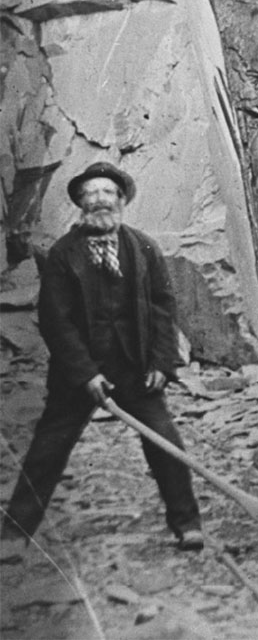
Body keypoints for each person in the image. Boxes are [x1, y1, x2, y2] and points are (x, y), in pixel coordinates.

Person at [0, 162, 203, 550]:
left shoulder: (142, 248)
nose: (100, 201)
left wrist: (162, 363)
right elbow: (56, 321)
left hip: (136, 370)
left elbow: (164, 307)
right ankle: (14, 532)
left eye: (108, 193)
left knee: (166, 444)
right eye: (90, 194)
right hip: (79, 377)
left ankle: (187, 524)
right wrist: (85, 373)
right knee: (48, 449)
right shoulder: (62, 254)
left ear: (122, 200)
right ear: (79, 203)